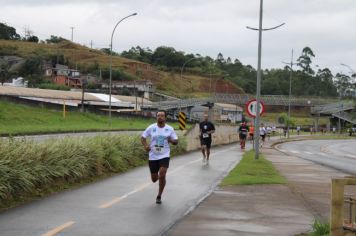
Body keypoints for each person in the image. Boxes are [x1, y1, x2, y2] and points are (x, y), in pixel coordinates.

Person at [141, 110, 178, 204]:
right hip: (153, 156)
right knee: (154, 179)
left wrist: (171, 140)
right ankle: (160, 179)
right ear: (156, 117)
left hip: (164, 155)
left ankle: (159, 195)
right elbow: (143, 137)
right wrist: (145, 146)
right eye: (158, 115)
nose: (160, 117)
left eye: (162, 116)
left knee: (162, 175)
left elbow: (176, 141)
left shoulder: (170, 129)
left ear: (165, 118)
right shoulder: (151, 127)